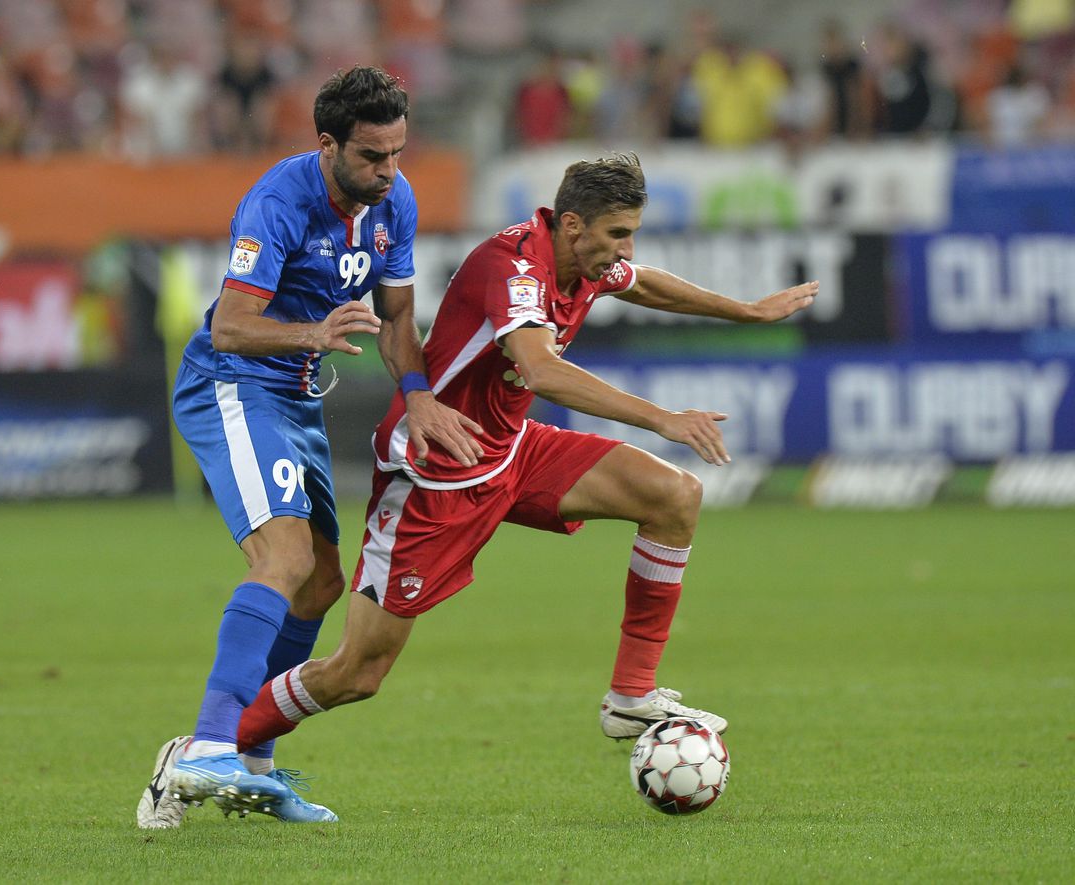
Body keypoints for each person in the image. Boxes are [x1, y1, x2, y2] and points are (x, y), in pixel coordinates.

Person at [229, 153, 818, 801]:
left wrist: (749, 312)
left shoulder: (586, 260)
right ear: (572, 224)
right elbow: (540, 369)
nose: (625, 249)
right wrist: (662, 418)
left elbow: (642, 281)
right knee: (357, 671)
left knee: (673, 494)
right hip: (436, 472)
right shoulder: (513, 267)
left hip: (511, 450)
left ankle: (630, 695)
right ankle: (216, 747)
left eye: (631, 233)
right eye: (617, 233)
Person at [135, 65, 483, 829]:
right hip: (233, 382)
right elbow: (228, 324)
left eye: (398, 154)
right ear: (327, 145)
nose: (389, 172)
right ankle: (203, 749)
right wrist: (313, 334)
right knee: (283, 561)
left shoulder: (396, 203)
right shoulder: (279, 201)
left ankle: (252, 764)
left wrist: (418, 396)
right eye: (372, 157)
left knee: (323, 582)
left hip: (294, 394)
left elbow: (396, 320)